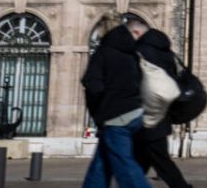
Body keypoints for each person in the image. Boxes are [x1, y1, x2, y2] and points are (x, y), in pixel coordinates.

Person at [81, 13, 151, 188]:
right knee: (101, 165)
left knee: (124, 166)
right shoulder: (134, 54)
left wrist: (101, 108)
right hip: (136, 113)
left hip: (116, 116)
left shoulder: (104, 52)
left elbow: (92, 84)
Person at [126, 19, 193, 188]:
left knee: (161, 163)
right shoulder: (167, 52)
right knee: (144, 161)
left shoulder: (141, 52)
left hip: (148, 117)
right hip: (162, 114)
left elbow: (135, 83)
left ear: (136, 33)